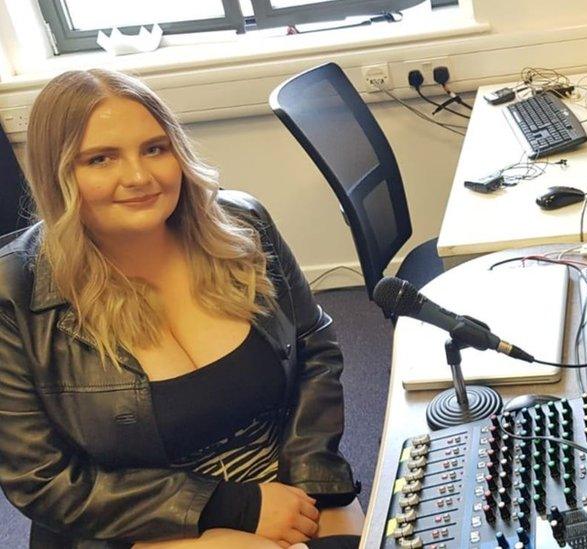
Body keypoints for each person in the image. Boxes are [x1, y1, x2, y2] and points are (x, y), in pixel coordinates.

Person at [0, 69, 364, 548]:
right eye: (101, 159)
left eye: (154, 148)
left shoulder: (243, 225)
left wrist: (311, 480)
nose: (138, 177)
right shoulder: (15, 291)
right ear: (59, 173)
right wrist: (230, 508)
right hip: (135, 523)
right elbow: (41, 480)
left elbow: (314, 345)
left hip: (287, 485)